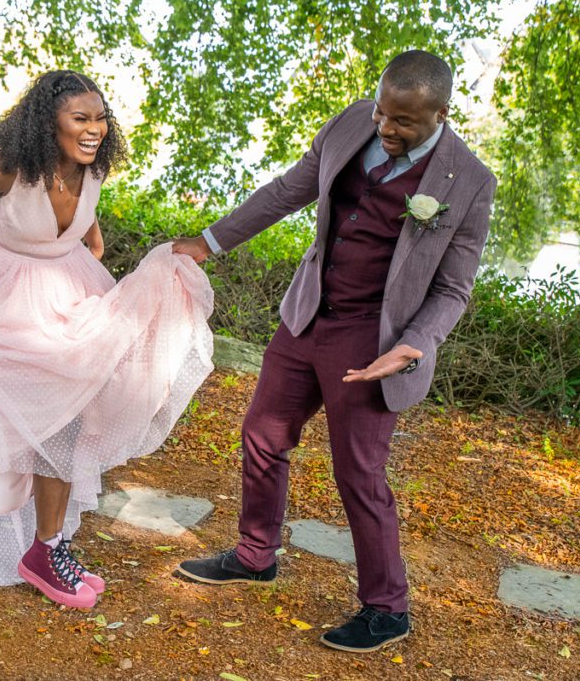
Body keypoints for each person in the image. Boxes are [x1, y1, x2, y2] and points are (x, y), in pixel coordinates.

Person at [171, 50, 496, 652]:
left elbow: (453, 288)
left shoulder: (470, 181)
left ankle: (387, 608)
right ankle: (254, 553)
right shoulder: (351, 123)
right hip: (307, 314)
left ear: (441, 115)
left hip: (373, 339)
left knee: (359, 473)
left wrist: (413, 346)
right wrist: (209, 242)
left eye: (404, 122)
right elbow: (286, 190)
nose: (386, 129)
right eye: (383, 112)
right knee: (263, 434)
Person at [0, 70, 213, 609]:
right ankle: (44, 547)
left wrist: (73, 275)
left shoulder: (91, 170)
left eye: (101, 118)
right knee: (42, 417)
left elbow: (89, 238)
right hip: (4, 295)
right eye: (81, 119)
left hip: (65, 296)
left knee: (70, 416)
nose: (94, 128)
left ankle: (48, 544)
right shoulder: (12, 169)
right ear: (47, 122)